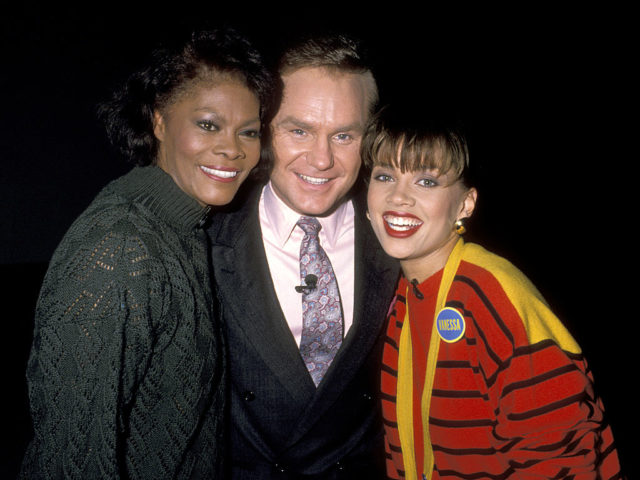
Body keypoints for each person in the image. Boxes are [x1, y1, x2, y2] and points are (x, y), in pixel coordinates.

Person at [19, 28, 274, 479]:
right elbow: (71, 462)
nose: (232, 148)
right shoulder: (119, 250)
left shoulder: (186, 226)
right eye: (208, 124)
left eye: (248, 131)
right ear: (158, 121)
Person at [362, 103, 624, 479]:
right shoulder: (400, 297)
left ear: (465, 204)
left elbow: (559, 461)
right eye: (385, 176)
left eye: (426, 181)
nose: (399, 197)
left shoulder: (493, 295)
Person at [207, 34, 400, 479]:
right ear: (266, 128)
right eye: (299, 130)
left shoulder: (399, 242)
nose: (321, 159)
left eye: (344, 135)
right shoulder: (204, 239)